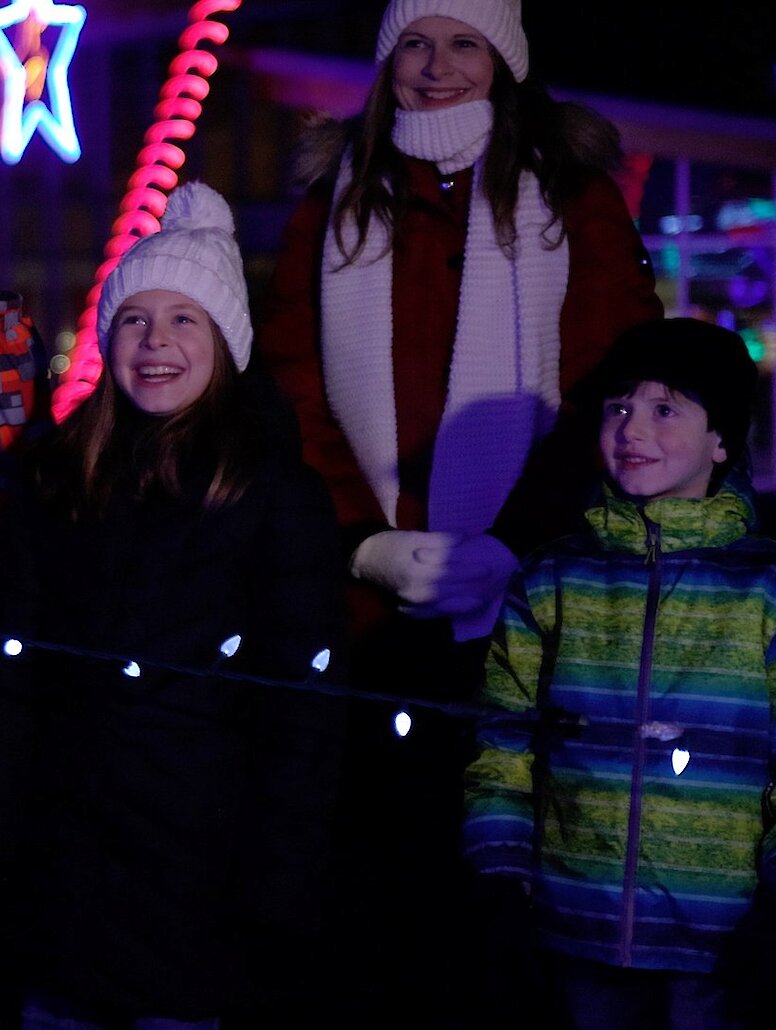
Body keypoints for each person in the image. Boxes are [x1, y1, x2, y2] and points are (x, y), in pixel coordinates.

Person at [255, 1, 664, 1020]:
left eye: (464, 43)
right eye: (414, 42)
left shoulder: (574, 199)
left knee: (502, 907)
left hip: (531, 611)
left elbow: (605, 391)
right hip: (367, 610)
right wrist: (364, 541)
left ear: (506, 62)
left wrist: (512, 546)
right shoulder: (332, 206)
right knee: (371, 898)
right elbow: (294, 391)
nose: (435, 66)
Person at [0, 182, 344, 1028]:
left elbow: (303, 704)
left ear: (224, 343)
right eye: (135, 318)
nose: (155, 341)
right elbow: (6, 673)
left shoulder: (276, 494)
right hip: (66, 848)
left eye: (182, 320)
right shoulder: (61, 480)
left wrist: (281, 875)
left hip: (205, 856)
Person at [465, 317, 772, 1030]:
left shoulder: (761, 588)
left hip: (717, 940)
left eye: (665, 408)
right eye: (618, 407)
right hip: (579, 924)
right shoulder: (555, 577)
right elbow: (503, 741)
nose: (633, 427)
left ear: (720, 439)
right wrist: (500, 878)